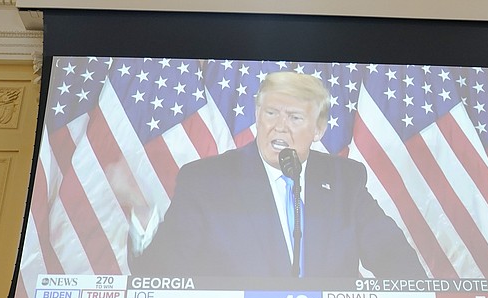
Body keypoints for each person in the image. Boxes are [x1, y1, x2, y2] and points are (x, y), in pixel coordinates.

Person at [130, 70, 425, 280]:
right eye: (271, 113)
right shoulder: (208, 180)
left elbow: (396, 260)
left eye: (295, 117)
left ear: (318, 129)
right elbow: (159, 274)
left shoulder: (344, 180)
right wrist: (143, 217)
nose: (279, 126)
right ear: (258, 116)